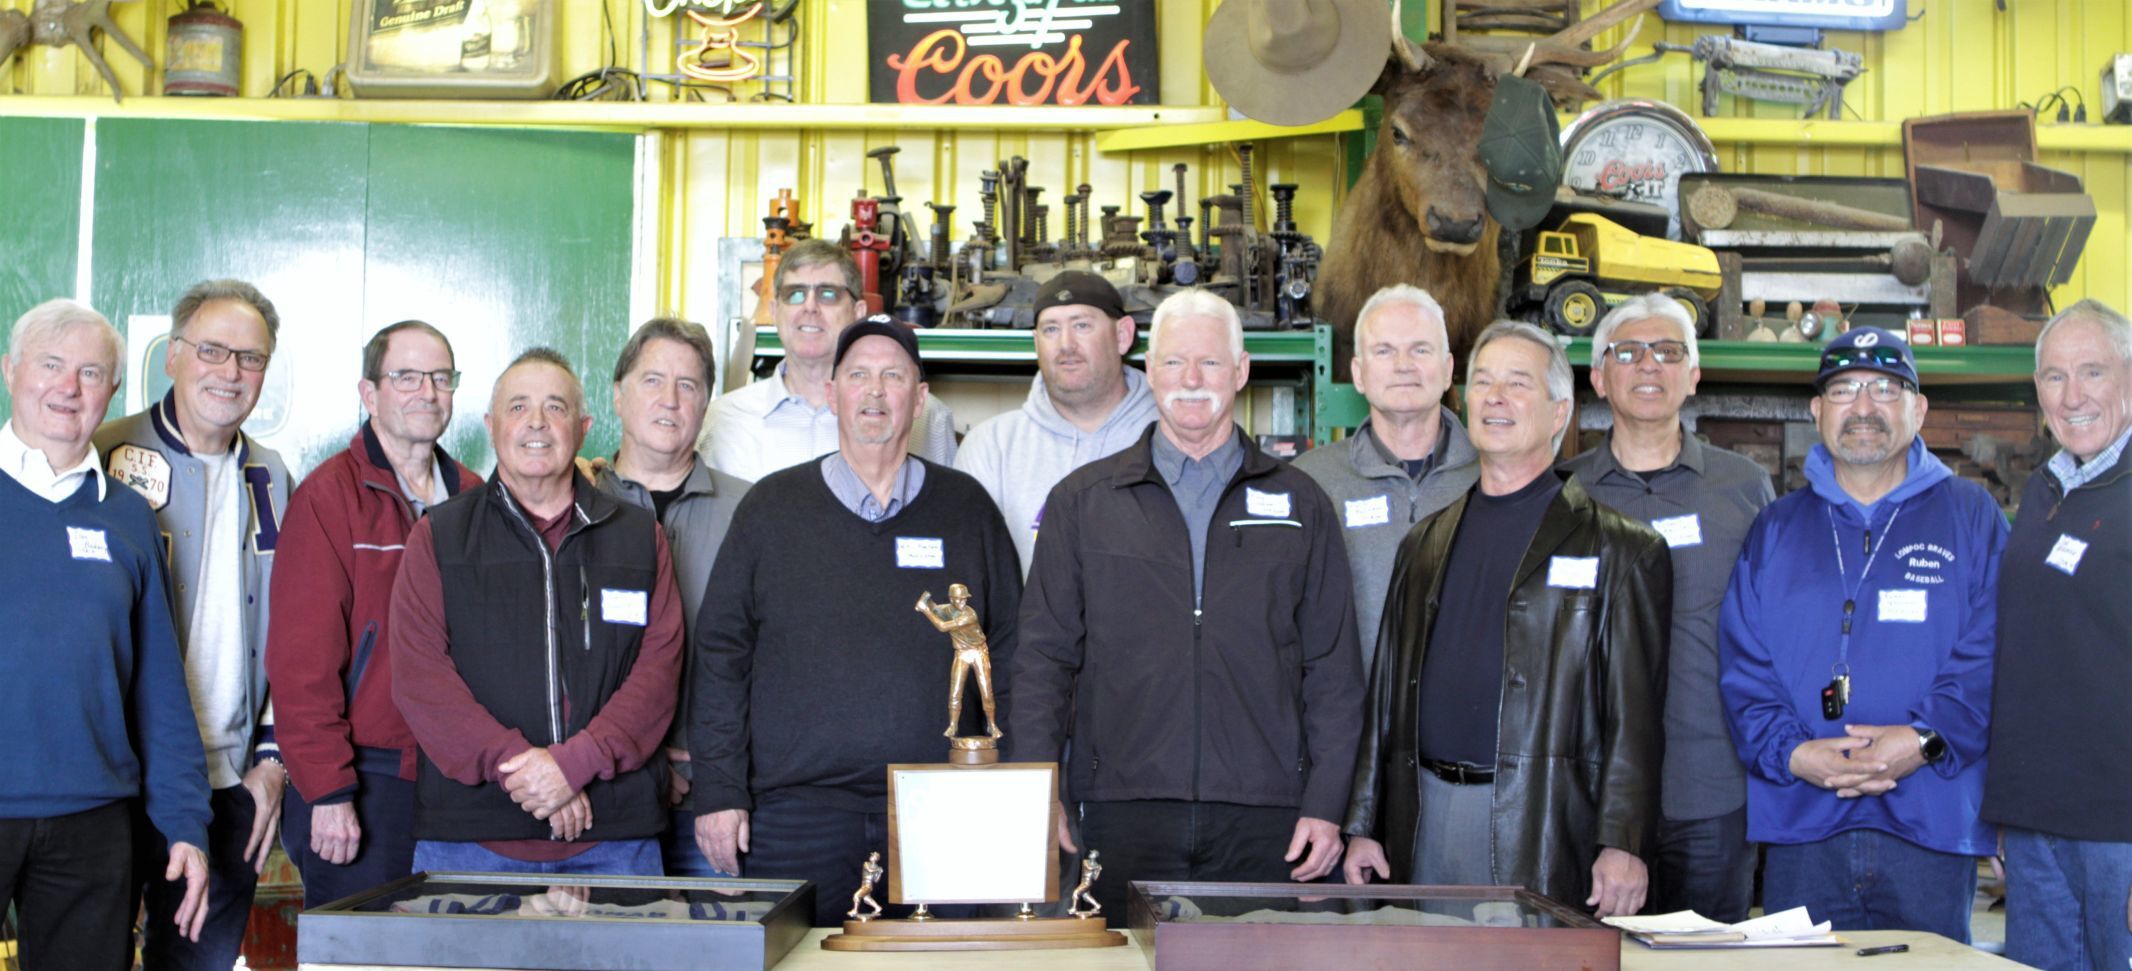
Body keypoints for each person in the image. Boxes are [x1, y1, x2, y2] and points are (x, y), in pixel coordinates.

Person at [1009, 289, 1362, 925]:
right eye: (1173, 364)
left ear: (1241, 371)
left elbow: (1333, 670)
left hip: (1267, 816)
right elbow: (1042, 660)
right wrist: (1037, 791)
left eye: (1209, 363)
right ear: (1149, 370)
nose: (1191, 381)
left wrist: (1328, 803)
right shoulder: (1084, 502)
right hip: (1118, 810)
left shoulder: (1302, 503)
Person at [691, 317, 1020, 926]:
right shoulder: (771, 510)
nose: (875, 392)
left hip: (940, 809)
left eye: (893, 377)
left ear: (919, 398)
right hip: (795, 815)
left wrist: (1017, 787)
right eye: (859, 376)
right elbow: (719, 658)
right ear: (831, 392)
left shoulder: (967, 507)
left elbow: (1013, 652)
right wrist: (719, 792)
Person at [1344, 320, 1669, 918]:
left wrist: (1623, 842)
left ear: (1559, 412)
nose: (1494, 397)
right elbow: (1386, 696)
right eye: (1482, 382)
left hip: (1541, 818)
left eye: (1517, 384)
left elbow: (1636, 722)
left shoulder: (1622, 550)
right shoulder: (1424, 543)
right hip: (1423, 816)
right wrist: (1365, 821)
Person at [1720, 326, 2005, 942]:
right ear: (1818, 412)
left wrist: (1924, 739)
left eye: (1886, 388)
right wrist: (1792, 753)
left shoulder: (1972, 516)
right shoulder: (1776, 528)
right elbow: (1744, 663)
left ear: (1918, 408)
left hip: (1931, 822)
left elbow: (1993, 654)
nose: (1865, 408)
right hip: (1802, 824)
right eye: (1845, 390)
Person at [390, 348, 684, 875]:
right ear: (490, 425)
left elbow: (658, 674)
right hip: (471, 843)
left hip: (618, 840)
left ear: (583, 426)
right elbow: (422, 680)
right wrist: (531, 776)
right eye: (518, 407)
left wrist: (575, 765)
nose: (537, 424)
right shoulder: (439, 536)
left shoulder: (640, 538)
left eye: (556, 408)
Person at [0, 299, 211, 969]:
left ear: (113, 390)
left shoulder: (127, 516)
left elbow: (159, 687)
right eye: (52, 365)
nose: (69, 387)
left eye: (91, 372)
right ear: (10, 371)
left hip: (93, 819)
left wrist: (186, 821)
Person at [1556, 294, 1774, 922]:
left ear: (1693, 373)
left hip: (1712, 788)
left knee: (1708, 962)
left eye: (1668, 351)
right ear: (1599, 378)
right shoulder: (1563, 495)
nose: (1649, 364)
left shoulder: (1743, 487)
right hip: (1591, 794)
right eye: (1627, 351)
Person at [95, 279, 291, 969]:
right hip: (116, 783)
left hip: (229, 788)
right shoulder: (103, 456)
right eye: (212, 350)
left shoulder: (273, 476)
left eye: (251, 357)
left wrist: (271, 762)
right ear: (172, 355)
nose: (230, 372)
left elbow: (295, 639)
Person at [266, 320, 482, 908]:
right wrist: (329, 791)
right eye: (406, 377)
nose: (427, 392)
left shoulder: (475, 496)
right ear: (369, 393)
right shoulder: (329, 497)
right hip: (364, 778)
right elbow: (299, 665)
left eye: (441, 378)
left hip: (457, 777)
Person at [1984, 299, 2132, 970]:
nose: (2072, 397)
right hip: (2037, 827)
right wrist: (2008, 808)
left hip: (2119, 835)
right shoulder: (2045, 493)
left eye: (2093, 372)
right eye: (2053, 377)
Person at [591, 317, 751, 877]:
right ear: (617, 394)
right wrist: (636, 756)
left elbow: (769, 658)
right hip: (597, 798)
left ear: (707, 403)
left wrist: (713, 762)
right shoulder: (572, 503)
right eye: (653, 380)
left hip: (712, 800)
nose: (670, 400)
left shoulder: (751, 514)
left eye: (689, 385)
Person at [1293, 284, 1477, 669]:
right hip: (1353, 724)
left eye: (1420, 349)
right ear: (1359, 374)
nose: (1403, 364)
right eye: (1384, 351)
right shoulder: (1308, 482)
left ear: (1447, 371)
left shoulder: (1492, 477)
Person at [703, 239, 957, 481]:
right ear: (774, 312)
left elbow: (945, 518)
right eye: (795, 294)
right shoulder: (724, 419)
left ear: (858, 312)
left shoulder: (926, 417)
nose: (810, 307)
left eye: (828, 294)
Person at [955, 271, 1158, 573]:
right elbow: (967, 574)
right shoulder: (990, 447)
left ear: (1123, 335)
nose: (1066, 344)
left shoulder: (1171, 439)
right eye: (1051, 329)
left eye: (1082, 325)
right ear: (1036, 343)